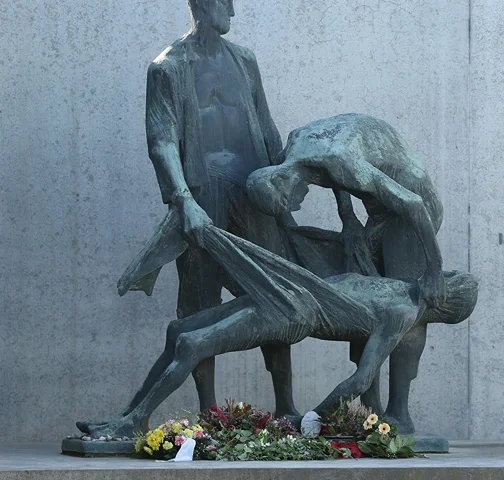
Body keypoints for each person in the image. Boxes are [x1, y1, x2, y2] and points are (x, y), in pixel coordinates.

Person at [78, 224, 478, 439]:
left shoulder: (401, 312)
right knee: (179, 330)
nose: (439, 276)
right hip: (291, 288)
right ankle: (129, 416)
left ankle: (136, 421)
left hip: (295, 312)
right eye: (446, 273)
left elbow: (361, 377)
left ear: (444, 302)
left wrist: (316, 417)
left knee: (191, 343)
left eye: (447, 280)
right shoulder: (395, 285)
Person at [134, 0, 296, 415]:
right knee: (199, 304)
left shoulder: (244, 60)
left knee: (275, 292)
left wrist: (284, 179)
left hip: (252, 193)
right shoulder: (167, 67)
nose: (234, 12)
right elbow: (162, 141)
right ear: (205, 2)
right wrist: (183, 201)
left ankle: (286, 407)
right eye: (227, 3)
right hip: (203, 197)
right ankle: (209, 413)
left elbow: (265, 122)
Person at [247, 113, 446, 430]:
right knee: (368, 296)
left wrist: (434, 271)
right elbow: (331, 174)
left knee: (407, 300)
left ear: (281, 180)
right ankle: (371, 412)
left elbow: (413, 204)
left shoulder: (338, 160)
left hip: (411, 205)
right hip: (379, 209)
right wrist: (347, 216)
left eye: (288, 203)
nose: (295, 208)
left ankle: (400, 414)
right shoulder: (293, 149)